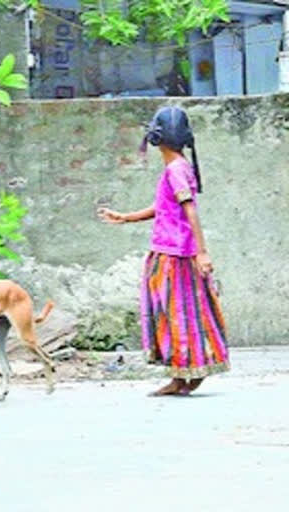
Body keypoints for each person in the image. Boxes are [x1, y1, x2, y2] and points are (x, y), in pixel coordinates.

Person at [98, 106, 230, 396]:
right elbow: (165, 207)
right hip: (176, 252)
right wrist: (126, 217)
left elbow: (189, 209)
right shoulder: (180, 167)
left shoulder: (175, 169)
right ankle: (184, 375)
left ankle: (182, 374)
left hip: (174, 255)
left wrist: (202, 252)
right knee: (182, 313)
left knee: (173, 314)